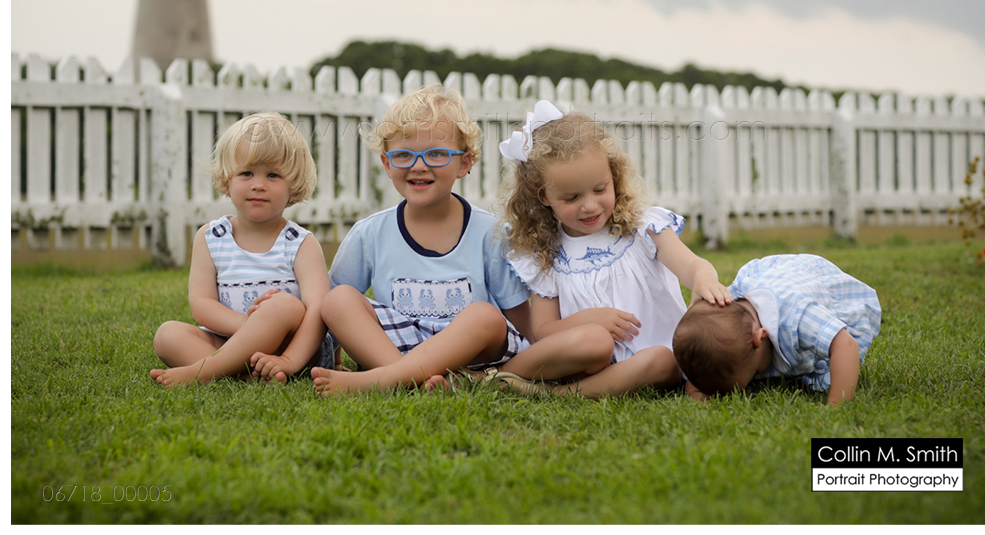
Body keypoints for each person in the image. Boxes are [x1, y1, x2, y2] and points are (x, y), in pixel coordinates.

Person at [312, 86, 616, 396]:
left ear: (465, 163)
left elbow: (522, 326)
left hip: (473, 350)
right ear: (387, 163)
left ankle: (390, 380)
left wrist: (550, 353)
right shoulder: (369, 233)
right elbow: (334, 315)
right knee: (337, 299)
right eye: (403, 155)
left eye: (436, 154)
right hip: (397, 345)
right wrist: (332, 357)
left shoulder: (490, 233)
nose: (419, 165)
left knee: (484, 315)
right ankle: (405, 378)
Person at [498, 101, 733, 397]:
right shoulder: (547, 252)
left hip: (655, 361)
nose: (589, 205)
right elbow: (544, 331)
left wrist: (704, 279)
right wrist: (588, 319)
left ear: (614, 176)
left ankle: (555, 394)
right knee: (595, 340)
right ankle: (500, 374)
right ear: (543, 196)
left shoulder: (643, 228)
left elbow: (693, 265)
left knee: (664, 359)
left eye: (600, 189)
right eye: (571, 198)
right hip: (589, 359)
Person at [150, 112, 332, 386]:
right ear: (226, 180)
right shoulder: (211, 238)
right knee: (168, 334)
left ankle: (204, 372)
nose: (258, 185)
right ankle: (245, 375)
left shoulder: (300, 243)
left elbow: (318, 311)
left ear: (293, 186)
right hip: (229, 338)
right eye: (246, 173)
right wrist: (248, 327)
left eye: (273, 175)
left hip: (291, 347)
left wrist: (290, 358)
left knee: (283, 304)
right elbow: (202, 304)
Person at [672, 253, 882, 406]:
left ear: (760, 337)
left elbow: (845, 345)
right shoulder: (726, 323)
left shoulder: (797, 317)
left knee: (831, 349)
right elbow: (703, 367)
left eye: (755, 372)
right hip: (770, 284)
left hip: (816, 289)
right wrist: (698, 392)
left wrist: (837, 405)